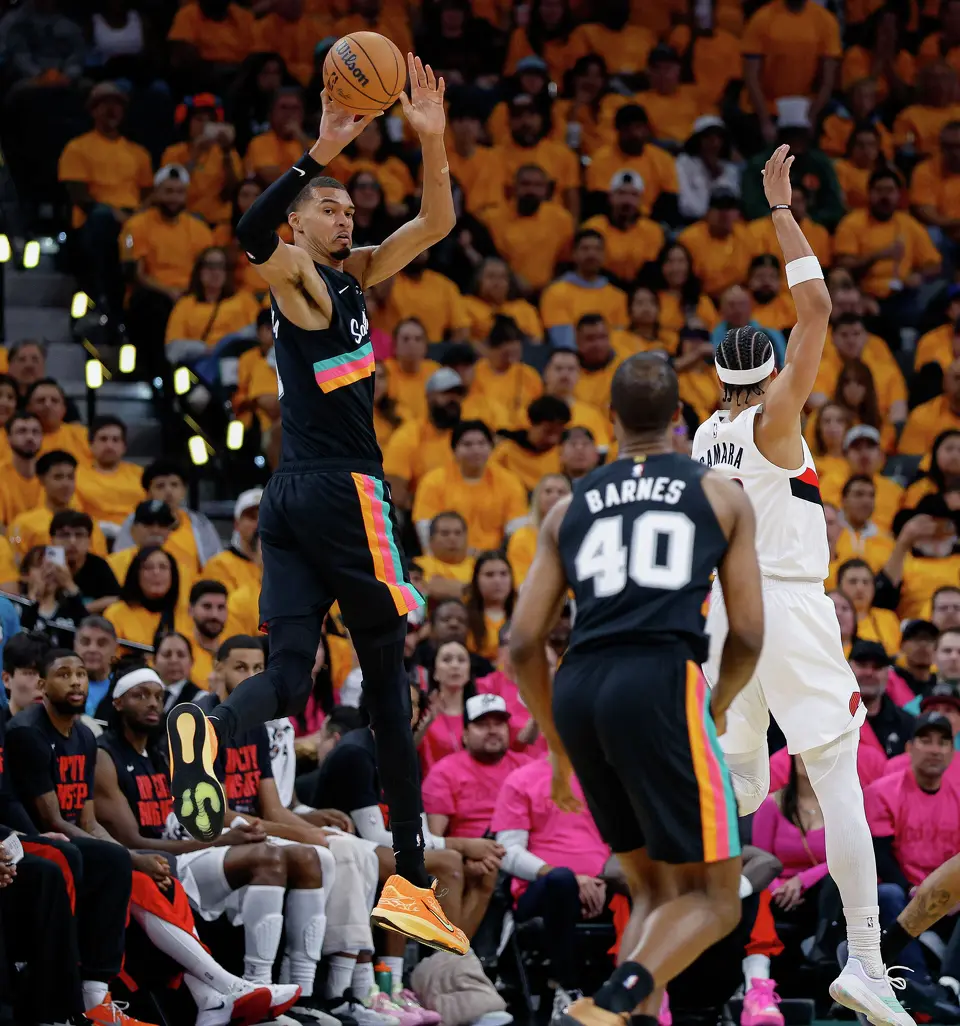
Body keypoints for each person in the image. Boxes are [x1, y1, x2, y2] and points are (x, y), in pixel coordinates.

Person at [166, 56, 467, 955]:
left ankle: (207, 728)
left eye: (347, 208)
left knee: (292, 677)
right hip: (345, 489)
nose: (346, 216)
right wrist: (320, 150)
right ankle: (412, 884)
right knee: (388, 684)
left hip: (292, 496)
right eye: (328, 208)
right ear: (299, 226)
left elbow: (438, 222)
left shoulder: (356, 276)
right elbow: (250, 233)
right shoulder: (296, 278)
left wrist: (433, 139)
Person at [690, 146, 917, 1024]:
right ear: (772, 375)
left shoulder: (704, 434)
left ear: (719, 379)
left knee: (745, 789)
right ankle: (865, 959)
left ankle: (693, 863)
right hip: (783, 603)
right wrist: (782, 211)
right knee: (837, 775)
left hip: (723, 617)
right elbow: (817, 307)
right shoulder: (777, 418)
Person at [507, 352, 764, 1026]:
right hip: (658, 680)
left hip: (579, 686)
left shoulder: (566, 508)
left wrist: (557, 744)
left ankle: (628, 1017)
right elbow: (747, 633)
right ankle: (613, 1000)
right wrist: (720, 703)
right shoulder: (720, 494)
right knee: (716, 899)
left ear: (610, 419)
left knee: (655, 890)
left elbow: (523, 642)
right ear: (679, 417)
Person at [92, 663, 302, 1026]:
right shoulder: (106, 757)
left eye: (158, 696)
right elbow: (133, 840)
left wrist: (225, 833)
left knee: (284, 856)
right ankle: (235, 986)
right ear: (118, 703)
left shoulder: (161, 754)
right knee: (171, 876)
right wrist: (224, 838)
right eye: (140, 696)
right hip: (143, 857)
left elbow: (182, 823)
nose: (153, 703)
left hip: (170, 855)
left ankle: (219, 997)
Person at [4, 648, 156, 1026]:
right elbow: (51, 820)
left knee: (115, 859)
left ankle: (97, 995)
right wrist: (133, 856)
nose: (75, 682)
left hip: (64, 836)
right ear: (42, 686)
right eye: (64, 674)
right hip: (37, 836)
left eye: (81, 674)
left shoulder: (86, 735)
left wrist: (127, 854)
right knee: (73, 858)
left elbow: (89, 821)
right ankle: (61, 1000)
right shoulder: (28, 732)